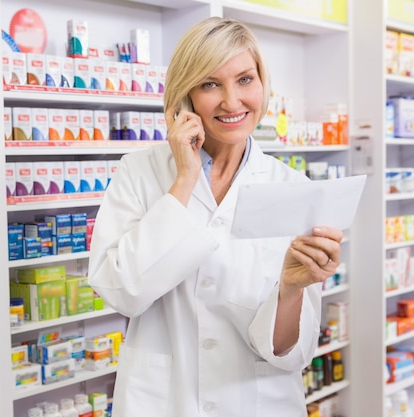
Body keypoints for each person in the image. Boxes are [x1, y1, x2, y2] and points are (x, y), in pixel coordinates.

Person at [87, 17, 343, 417]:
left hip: (259, 403)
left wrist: (291, 289)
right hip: (164, 401)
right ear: (184, 96)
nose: (232, 101)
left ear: (262, 83)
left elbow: (292, 352)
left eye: (245, 79)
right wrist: (185, 179)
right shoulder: (139, 172)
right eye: (210, 84)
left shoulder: (291, 187)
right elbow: (122, 293)